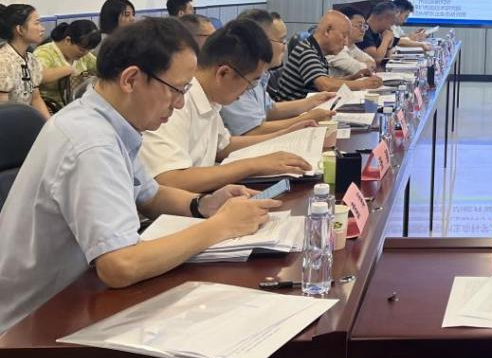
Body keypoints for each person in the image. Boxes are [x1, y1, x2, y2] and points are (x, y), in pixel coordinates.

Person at [0, 18, 280, 334]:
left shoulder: (108, 120)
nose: (180, 103)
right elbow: (120, 265)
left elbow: (149, 194)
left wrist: (204, 205)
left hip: (75, 297)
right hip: (30, 327)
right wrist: (221, 226)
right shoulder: (91, 143)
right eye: (176, 90)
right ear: (131, 79)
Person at [140, 19, 316, 193]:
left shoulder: (210, 96)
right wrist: (253, 165)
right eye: (251, 82)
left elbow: (224, 145)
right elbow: (169, 180)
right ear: (224, 73)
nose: (247, 91)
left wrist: (283, 136)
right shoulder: (174, 101)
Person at [220, 10, 335, 136]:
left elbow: (270, 109)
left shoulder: (260, 74)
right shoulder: (234, 76)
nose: (285, 46)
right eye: (282, 40)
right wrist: (306, 119)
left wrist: (313, 101)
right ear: (261, 42)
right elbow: (251, 131)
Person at [269, 10, 383, 102]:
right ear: (328, 31)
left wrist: (352, 78)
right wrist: (362, 84)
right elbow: (325, 85)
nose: (345, 42)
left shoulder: (318, 51)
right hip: (294, 115)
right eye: (343, 36)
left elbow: (328, 81)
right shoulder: (306, 50)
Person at [34, 19, 102, 112]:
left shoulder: (85, 56)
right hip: (50, 107)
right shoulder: (44, 52)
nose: (85, 53)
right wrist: (68, 70)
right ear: (68, 40)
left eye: (89, 50)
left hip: (78, 106)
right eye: (81, 49)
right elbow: (37, 75)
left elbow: (102, 67)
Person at [0, 3, 51, 117]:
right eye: (36, 23)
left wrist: (49, 124)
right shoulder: (3, 62)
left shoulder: (31, 60)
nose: (42, 28)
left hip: (24, 120)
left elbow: (36, 98)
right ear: (20, 29)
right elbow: (3, 113)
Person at [328, 6, 375, 78]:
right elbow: (361, 69)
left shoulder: (352, 46)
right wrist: (361, 64)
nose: (363, 30)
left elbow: (372, 63)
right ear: (344, 25)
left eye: (364, 26)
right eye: (359, 25)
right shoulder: (333, 48)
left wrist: (359, 64)